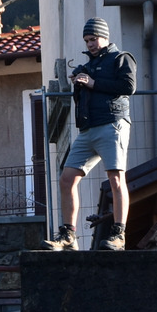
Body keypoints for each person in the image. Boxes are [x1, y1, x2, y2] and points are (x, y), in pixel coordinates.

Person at [43, 17, 137, 251]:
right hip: (88, 130)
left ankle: (118, 235)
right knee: (67, 179)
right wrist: (79, 84)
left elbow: (128, 87)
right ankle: (68, 236)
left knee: (116, 179)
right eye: (87, 40)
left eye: (93, 39)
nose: (90, 44)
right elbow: (81, 99)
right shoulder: (87, 66)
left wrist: (93, 83)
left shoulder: (121, 58)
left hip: (113, 124)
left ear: (105, 37)